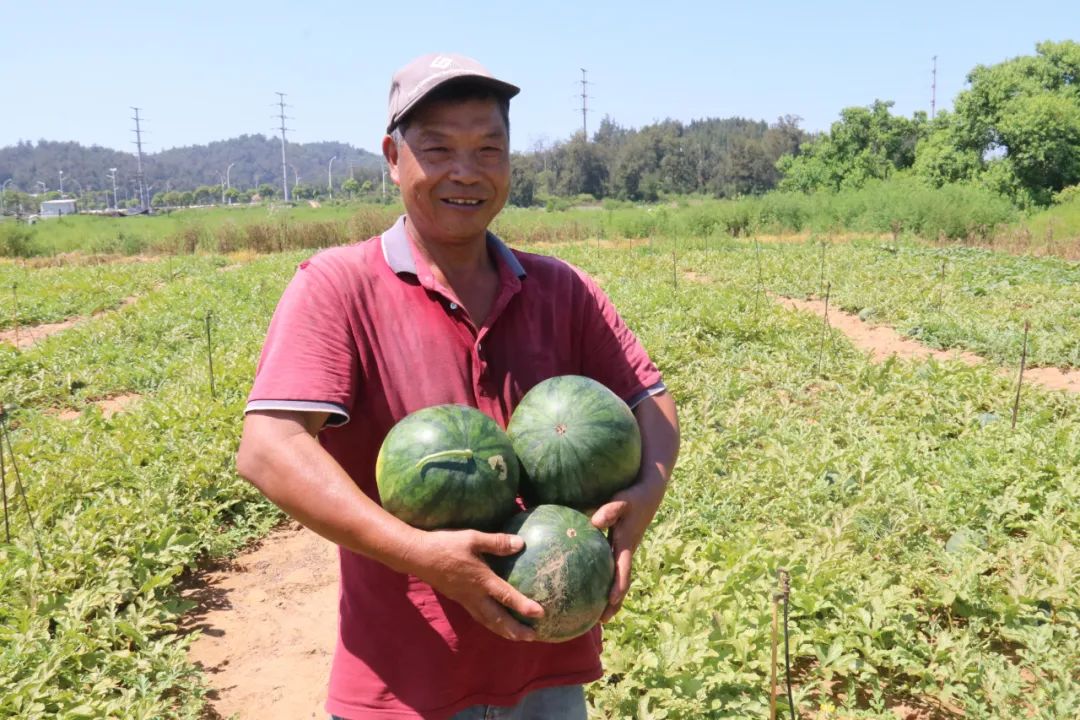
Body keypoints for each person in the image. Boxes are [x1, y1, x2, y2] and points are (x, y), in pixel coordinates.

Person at [236, 52, 680, 720]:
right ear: (393, 156)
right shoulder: (336, 286)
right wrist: (421, 554)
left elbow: (652, 403)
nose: (465, 172)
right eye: (438, 149)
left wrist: (644, 496)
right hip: (403, 684)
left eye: (488, 149)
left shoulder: (563, 288)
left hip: (547, 664)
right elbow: (268, 448)